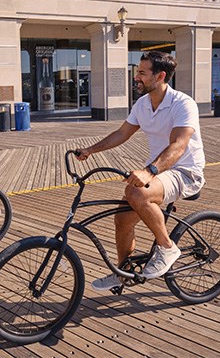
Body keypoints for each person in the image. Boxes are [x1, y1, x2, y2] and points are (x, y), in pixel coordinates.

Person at [76, 51, 205, 291]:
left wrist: (150, 170)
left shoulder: (183, 104)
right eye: (137, 72)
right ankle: (124, 272)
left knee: (137, 194)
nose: (136, 77)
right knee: (122, 219)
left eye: (142, 73)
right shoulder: (143, 104)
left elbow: (179, 145)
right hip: (158, 174)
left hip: (185, 172)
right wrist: (90, 150)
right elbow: (122, 133)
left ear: (160, 76)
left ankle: (167, 247)